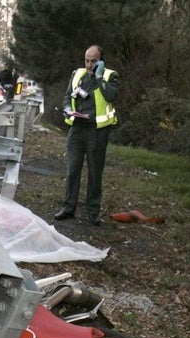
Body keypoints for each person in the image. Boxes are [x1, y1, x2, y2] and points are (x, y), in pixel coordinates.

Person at [54, 45, 119, 226]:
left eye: (94, 61)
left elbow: (111, 95)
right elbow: (68, 97)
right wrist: (67, 110)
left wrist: (98, 76)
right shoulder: (77, 74)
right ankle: (68, 208)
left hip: (97, 131)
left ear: (101, 61)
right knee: (73, 169)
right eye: (87, 60)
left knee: (94, 172)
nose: (89, 64)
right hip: (77, 129)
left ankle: (93, 211)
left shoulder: (110, 76)